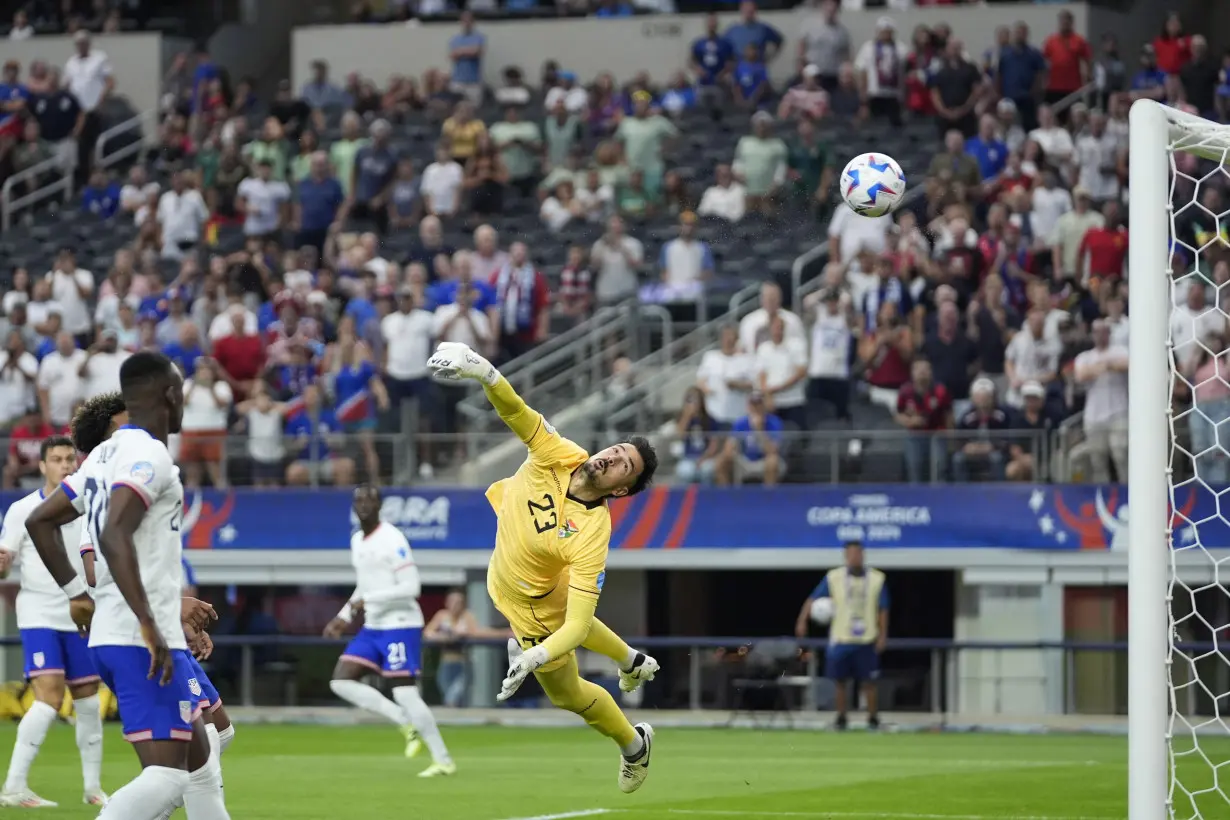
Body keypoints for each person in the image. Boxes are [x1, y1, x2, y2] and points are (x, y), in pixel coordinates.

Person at [426, 341, 660, 793]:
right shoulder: (561, 452)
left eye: (623, 465)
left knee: (566, 695)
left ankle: (635, 745)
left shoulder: (594, 533)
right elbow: (516, 412)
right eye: (616, 449)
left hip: (533, 605)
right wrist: (482, 369)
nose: (611, 457)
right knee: (569, 613)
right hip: (517, 571)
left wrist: (535, 654)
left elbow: (575, 626)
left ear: (623, 489)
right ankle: (631, 661)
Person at [32, 353, 229, 819]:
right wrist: (150, 620)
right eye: (181, 393)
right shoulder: (148, 453)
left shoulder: (103, 454)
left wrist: (77, 595)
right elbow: (114, 532)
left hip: (122, 633)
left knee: (203, 767)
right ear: (170, 395)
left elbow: (44, 521)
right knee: (168, 777)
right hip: (139, 638)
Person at [0, 435, 107, 808]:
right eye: (56, 459)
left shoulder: (88, 509)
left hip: (79, 616)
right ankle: (14, 786)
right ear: (42, 466)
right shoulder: (22, 510)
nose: (64, 465)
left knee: (89, 703)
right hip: (39, 614)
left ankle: (93, 789)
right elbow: (5, 563)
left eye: (69, 459)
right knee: (48, 695)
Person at [324, 485, 455, 777]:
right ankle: (404, 722)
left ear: (380, 505)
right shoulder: (357, 540)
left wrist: (367, 600)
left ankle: (443, 760)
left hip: (401, 624)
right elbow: (365, 584)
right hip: (374, 625)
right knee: (341, 681)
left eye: (370, 500)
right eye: (358, 500)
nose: (364, 505)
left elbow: (411, 587)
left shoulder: (392, 538)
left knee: (406, 693)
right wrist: (344, 615)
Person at [795, 541, 889, 731]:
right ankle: (841, 719)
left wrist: (882, 635)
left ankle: (872, 719)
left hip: (867, 638)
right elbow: (813, 599)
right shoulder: (834, 577)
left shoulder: (877, 578)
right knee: (840, 682)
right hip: (841, 639)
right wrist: (802, 620)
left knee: (869, 682)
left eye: (858, 553)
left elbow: (883, 608)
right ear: (846, 556)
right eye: (851, 554)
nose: (855, 557)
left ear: (863, 555)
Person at [423, 589, 506, 707]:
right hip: (446, 663)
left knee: (454, 695)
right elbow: (428, 632)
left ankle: (454, 716)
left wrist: (503, 633)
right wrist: (443, 636)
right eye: (452, 602)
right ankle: (451, 720)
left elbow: (477, 633)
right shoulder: (442, 615)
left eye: (459, 602)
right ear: (447, 603)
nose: (455, 605)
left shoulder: (467, 616)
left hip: (462, 663)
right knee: (446, 692)